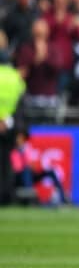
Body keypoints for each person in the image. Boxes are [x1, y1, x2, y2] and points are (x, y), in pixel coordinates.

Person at [11, 127, 71, 205]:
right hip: (21, 176)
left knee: (50, 172)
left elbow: (34, 163)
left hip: (32, 173)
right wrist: (27, 165)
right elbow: (17, 168)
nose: (20, 140)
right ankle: (31, 199)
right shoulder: (14, 151)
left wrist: (34, 166)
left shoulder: (28, 148)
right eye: (19, 138)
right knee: (26, 171)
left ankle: (62, 198)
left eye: (22, 138)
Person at [0, 37, 26, 205]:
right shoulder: (16, 77)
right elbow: (20, 104)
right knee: (7, 163)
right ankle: (6, 196)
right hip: (9, 126)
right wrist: (8, 122)